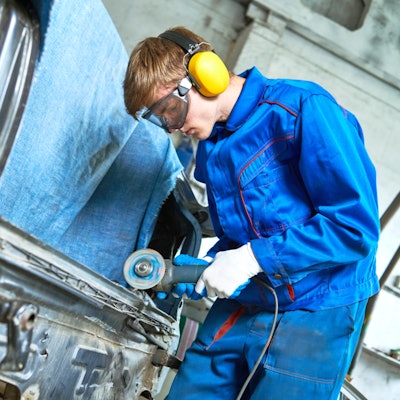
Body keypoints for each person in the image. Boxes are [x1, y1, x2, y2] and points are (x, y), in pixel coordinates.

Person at [123, 26, 380, 400]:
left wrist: (250, 258)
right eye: (159, 120)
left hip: (319, 307)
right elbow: (239, 234)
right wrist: (204, 266)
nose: (174, 126)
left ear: (204, 76)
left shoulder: (301, 111)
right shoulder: (210, 146)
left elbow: (353, 228)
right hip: (251, 299)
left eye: (171, 110)